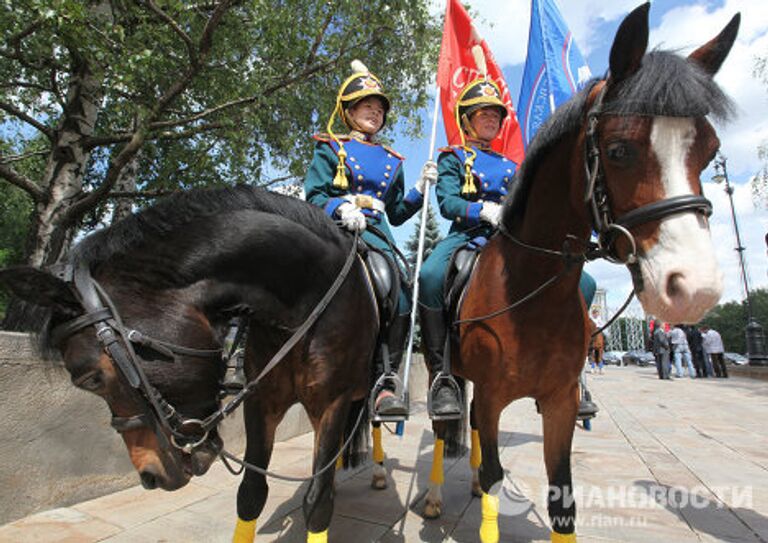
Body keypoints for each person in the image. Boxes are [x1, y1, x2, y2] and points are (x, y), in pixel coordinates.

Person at [304, 60, 435, 417]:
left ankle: (385, 379)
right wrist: (340, 208)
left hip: (375, 234)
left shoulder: (392, 159)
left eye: (379, 109)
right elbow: (314, 195)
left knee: (400, 292)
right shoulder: (330, 148)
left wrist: (420, 190)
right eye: (367, 106)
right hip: (334, 230)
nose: (374, 113)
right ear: (348, 112)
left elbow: (396, 212)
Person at [589, 308, 605, 374]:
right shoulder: (591, 319)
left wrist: (599, 327)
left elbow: (602, 325)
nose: (595, 314)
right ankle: (592, 367)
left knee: (604, 335)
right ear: (593, 314)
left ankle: (601, 367)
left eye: (596, 313)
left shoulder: (599, 319)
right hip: (592, 332)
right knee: (592, 353)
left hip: (598, 330)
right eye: (594, 313)